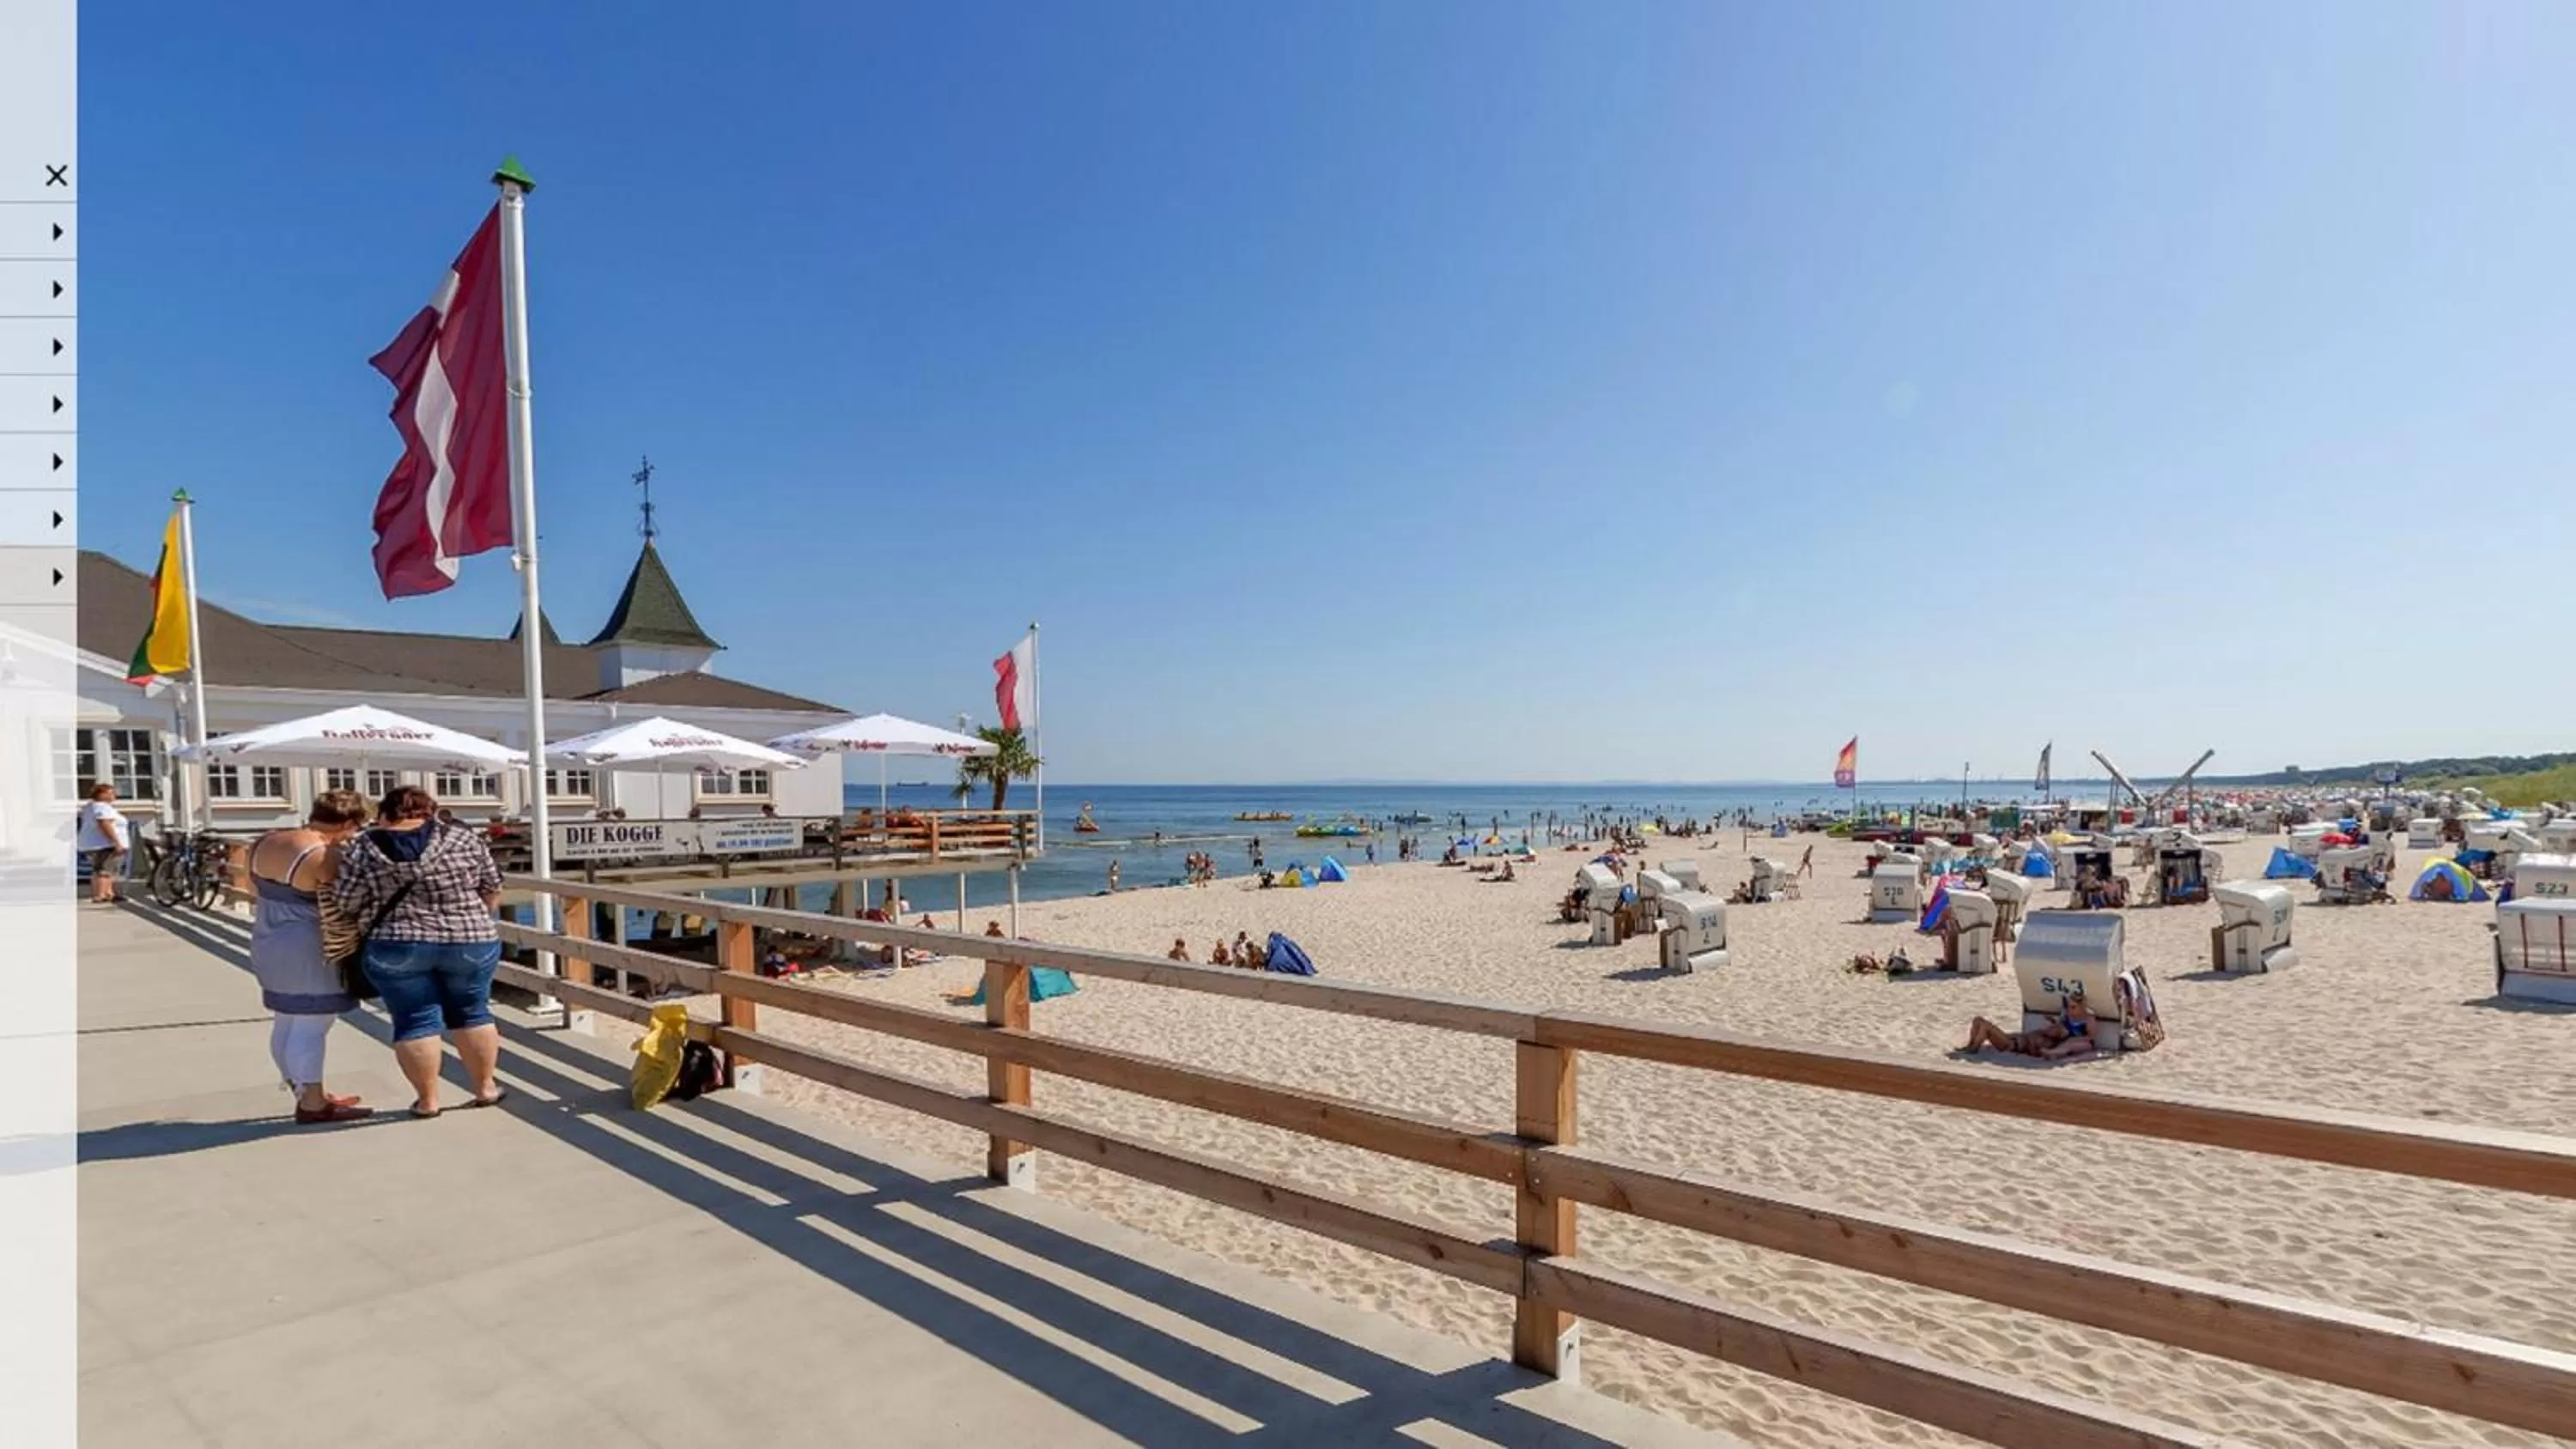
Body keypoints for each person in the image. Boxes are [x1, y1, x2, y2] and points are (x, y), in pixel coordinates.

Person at [333, 785, 507, 1119]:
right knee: (473, 1012)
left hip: (397, 941)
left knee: (415, 1020)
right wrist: (473, 918)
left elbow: (347, 901)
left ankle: (428, 1101)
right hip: (469, 938)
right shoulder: (463, 838)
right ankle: (485, 1088)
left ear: (385, 814)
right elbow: (492, 886)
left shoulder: (364, 846)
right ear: (431, 811)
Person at [250, 789, 375, 1124]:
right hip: (309, 946)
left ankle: (304, 1090)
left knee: (286, 1019)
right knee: (313, 1025)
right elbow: (345, 899)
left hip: (268, 938)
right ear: (349, 822)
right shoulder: (321, 854)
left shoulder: (266, 841)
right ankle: (313, 1104)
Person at [1963, 991, 2097, 1059]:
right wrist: (2055, 1023)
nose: (2069, 1010)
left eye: (2073, 1007)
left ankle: (1973, 1048)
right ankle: (1970, 1046)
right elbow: (2057, 1029)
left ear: (2081, 1006)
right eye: (2069, 1006)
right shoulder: (2063, 1023)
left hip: (2013, 1045)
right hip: (2016, 1039)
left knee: (1984, 1025)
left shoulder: (2051, 1042)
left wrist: (2057, 1030)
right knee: (1978, 1021)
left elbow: (2089, 1038)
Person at [76, 781, 129, 904]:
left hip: (94, 843)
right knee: (106, 870)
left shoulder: (91, 807)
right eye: (110, 793)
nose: (114, 795)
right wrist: (116, 842)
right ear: (101, 794)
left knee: (101, 869)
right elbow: (104, 824)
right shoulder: (102, 808)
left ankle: (108, 893)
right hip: (105, 844)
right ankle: (100, 895)